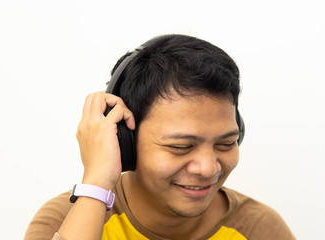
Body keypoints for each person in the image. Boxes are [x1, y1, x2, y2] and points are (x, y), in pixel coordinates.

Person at [24, 34, 295, 240]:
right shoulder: (68, 220)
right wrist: (95, 182)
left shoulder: (260, 229)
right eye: (181, 146)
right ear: (124, 140)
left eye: (226, 143)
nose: (208, 168)